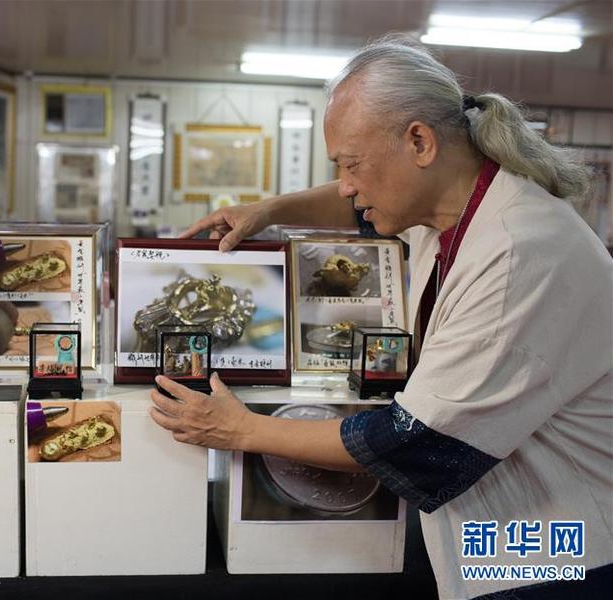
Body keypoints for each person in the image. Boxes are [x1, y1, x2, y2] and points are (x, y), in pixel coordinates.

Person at [148, 36, 612, 599]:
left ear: (419, 141)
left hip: (558, 558)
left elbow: (416, 442)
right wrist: (269, 209)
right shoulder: (448, 203)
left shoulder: (520, 251)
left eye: (352, 163)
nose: (346, 184)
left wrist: (240, 429)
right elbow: (354, 204)